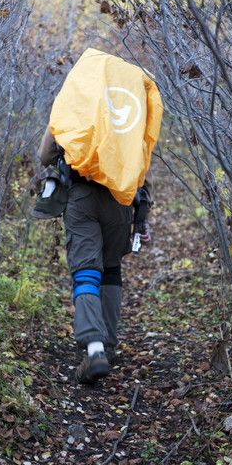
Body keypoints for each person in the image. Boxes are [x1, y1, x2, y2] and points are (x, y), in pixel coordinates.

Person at [37, 126, 153, 384]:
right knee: (110, 268)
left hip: (82, 195)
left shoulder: (77, 100)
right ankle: (108, 347)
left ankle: (95, 349)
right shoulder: (125, 101)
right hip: (120, 197)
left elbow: (45, 156)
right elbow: (141, 160)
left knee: (86, 270)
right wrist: (143, 217)